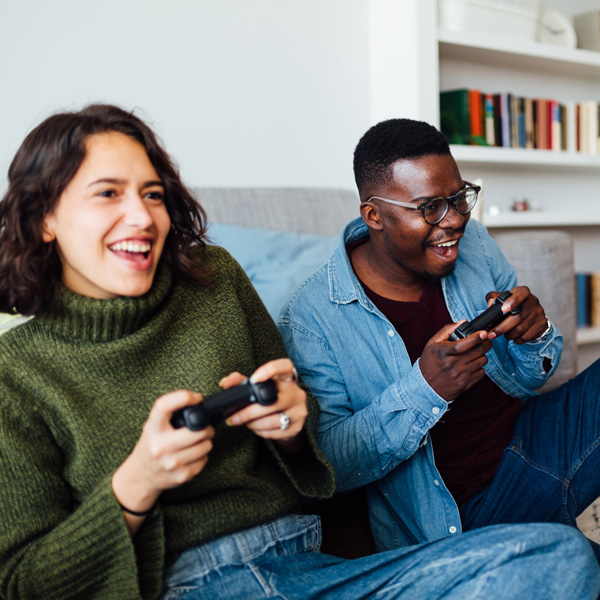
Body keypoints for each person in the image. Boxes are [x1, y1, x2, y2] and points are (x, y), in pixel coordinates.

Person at [0, 106, 598, 600]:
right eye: (108, 193)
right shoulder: (17, 375)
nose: (141, 215)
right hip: (186, 584)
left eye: (152, 193)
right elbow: (22, 583)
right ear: (45, 215)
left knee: (560, 556)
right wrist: (136, 484)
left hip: (309, 564)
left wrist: (288, 426)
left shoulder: (213, 279)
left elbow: (314, 461)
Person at [279, 117, 600, 561]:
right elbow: (328, 466)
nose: (454, 222)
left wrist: (535, 333)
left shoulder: (476, 244)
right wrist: (424, 388)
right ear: (374, 215)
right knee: (577, 566)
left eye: (459, 198)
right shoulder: (312, 318)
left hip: (533, 440)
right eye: (430, 207)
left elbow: (530, 380)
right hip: (462, 509)